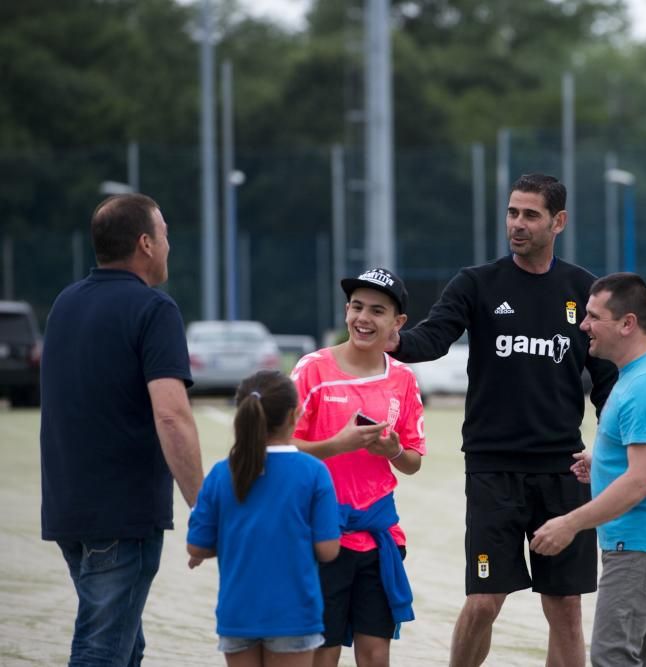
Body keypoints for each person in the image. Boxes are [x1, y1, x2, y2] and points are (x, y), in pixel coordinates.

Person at [387, 173, 618, 667]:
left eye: (530, 214)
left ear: (558, 222)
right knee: (484, 601)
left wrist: (610, 446)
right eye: (512, 212)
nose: (517, 223)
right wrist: (395, 343)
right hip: (493, 471)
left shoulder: (584, 289)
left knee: (566, 609)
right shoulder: (476, 283)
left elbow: (608, 384)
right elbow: (432, 337)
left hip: (563, 471)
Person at [40, 193, 204, 666]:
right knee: (102, 649)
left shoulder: (65, 303)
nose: (170, 246)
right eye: (166, 236)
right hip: (122, 514)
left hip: (69, 508)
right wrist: (204, 504)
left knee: (124, 644)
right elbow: (172, 415)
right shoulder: (155, 310)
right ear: (146, 243)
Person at [530, 272, 646, 667]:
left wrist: (569, 523)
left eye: (593, 317)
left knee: (611, 656)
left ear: (627, 324)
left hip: (641, 544)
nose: (583, 325)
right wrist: (603, 461)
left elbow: (640, 482)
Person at [291, 267, 426, 667]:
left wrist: (392, 452)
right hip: (321, 535)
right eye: (356, 307)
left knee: (375, 653)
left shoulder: (402, 379)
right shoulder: (312, 369)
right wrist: (337, 445)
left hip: (379, 537)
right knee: (323, 650)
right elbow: (276, 449)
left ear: (397, 323)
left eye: (377, 311)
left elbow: (413, 461)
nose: (363, 318)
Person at [187, 370, 342, 667]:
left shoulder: (222, 472)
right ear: (294, 415)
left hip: (237, 612)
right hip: (293, 613)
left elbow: (197, 547)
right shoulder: (313, 472)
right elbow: (328, 549)